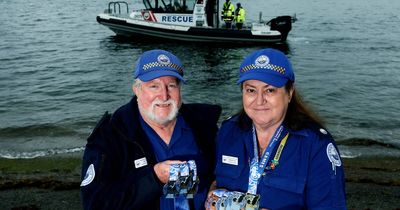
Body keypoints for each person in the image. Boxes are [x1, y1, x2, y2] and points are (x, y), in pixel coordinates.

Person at [206, 48, 347, 210]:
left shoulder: (316, 145)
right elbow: (214, 181)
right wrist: (213, 196)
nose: (259, 101)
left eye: (270, 90)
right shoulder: (228, 132)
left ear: (289, 93)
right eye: (251, 90)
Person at [80, 49, 222, 210]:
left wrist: (215, 187)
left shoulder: (204, 125)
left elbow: (219, 174)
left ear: (179, 89)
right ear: (137, 89)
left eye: (171, 86)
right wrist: (154, 178)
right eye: (154, 86)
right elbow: (94, 204)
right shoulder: (110, 136)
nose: (164, 96)